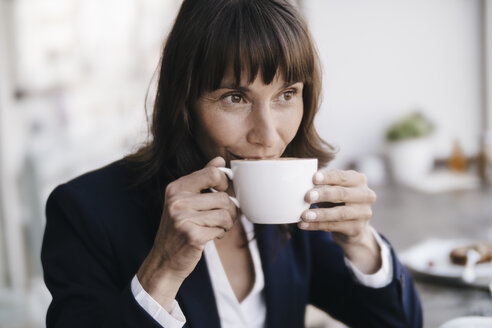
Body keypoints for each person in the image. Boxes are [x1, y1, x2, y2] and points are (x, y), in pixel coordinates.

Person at [41, 0, 423, 327]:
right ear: (184, 103)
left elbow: (398, 322)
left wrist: (361, 243)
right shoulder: (84, 213)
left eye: (286, 94)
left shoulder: (296, 200)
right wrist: (164, 270)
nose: (269, 136)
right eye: (235, 98)